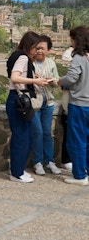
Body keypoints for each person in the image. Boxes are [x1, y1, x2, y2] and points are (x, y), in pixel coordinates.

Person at [6, 31, 50, 183]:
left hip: (17, 99)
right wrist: (35, 82)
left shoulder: (16, 55)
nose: (37, 50)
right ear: (29, 45)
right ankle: (17, 173)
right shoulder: (23, 57)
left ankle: (18, 170)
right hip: (20, 100)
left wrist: (34, 78)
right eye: (35, 47)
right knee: (22, 136)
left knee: (24, 135)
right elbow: (15, 77)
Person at [57, 26, 89, 185]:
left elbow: (72, 78)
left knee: (77, 141)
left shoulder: (79, 58)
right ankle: (86, 171)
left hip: (79, 104)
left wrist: (60, 81)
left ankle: (79, 175)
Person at [30, 35, 62, 175]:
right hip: (35, 103)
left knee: (47, 133)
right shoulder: (29, 62)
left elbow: (57, 82)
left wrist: (53, 81)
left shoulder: (51, 63)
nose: (39, 51)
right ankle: (38, 162)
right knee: (37, 132)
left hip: (48, 102)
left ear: (48, 50)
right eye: (37, 48)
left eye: (42, 48)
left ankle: (49, 161)